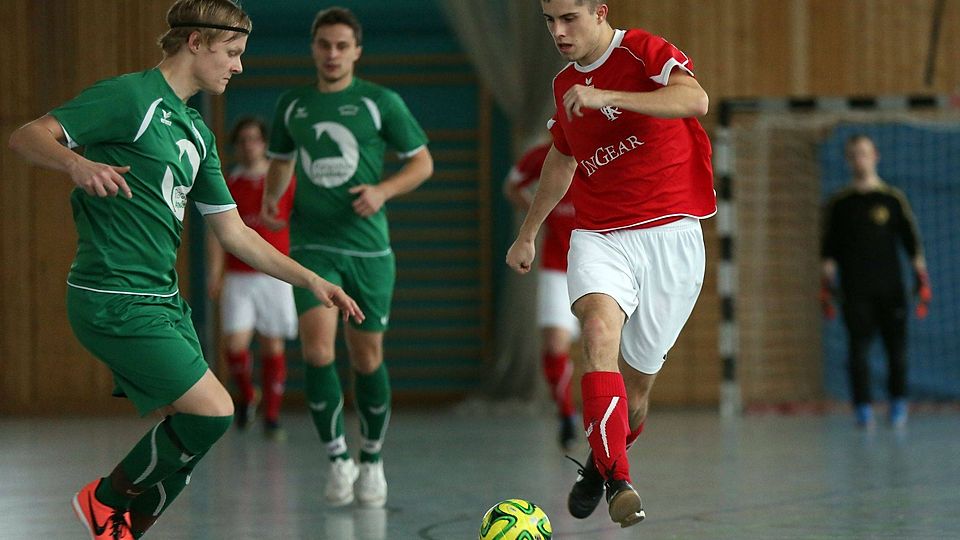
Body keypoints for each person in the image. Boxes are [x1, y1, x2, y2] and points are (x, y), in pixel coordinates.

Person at [6, 1, 363, 538]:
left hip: (163, 301)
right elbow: (27, 136)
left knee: (193, 432)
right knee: (214, 413)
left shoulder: (198, 133)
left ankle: (124, 529)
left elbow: (237, 234)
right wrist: (76, 163)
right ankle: (103, 500)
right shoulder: (130, 98)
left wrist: (311, 279)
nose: (238, 66)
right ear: (195, 42)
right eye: (232, 52)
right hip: (112, 295)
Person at [507, 0, 716, 528]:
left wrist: (608, 96)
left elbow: (696, 99)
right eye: (549, 21)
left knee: (637, 392)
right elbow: (561, 157)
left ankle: (600, 466)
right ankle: (620, 481)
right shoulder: (562, 87)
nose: (558, 31)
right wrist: (528, 233)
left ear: (599, 12)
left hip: (672, 235)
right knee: (597, 334)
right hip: (601, 235)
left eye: (568, 18)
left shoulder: (642, 50)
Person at [260, 7, 433, 509]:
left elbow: (422, 162)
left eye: (342, 46)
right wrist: (273, 199)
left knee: (367, 358)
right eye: (324, 45)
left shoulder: (380, 102)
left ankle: (372, 460)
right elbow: (281, 159)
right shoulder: (293, 105)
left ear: (356, 50)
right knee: (317, 351)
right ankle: (338, 458)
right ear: (312, 48)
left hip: (369, 250)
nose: (332, 55)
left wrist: (383, 191)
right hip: (312, 246)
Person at [820, 134, 930, 429]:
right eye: (854, 154)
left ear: (875, 156)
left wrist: (921, 279)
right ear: (848, 160)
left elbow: (912, 245)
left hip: (891, 290)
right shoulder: (840, 204)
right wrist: (827, 285)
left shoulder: (892, 200)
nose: (860, 159)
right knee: (858, 352)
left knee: (897, 351)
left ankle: (898, 404)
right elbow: (828, 251)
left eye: (865, 153)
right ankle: (863, 409)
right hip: (856, 291)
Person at [206, 117, 297, 440]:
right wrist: (215, 272)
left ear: (264, 142)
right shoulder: (230, 183)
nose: (248, 146)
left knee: (273, 344)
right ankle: (248, 395)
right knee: (235, 345)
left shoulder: (283, 178)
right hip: (239, 276)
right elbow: (218, 233)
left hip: (274, 274)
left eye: (254, 139)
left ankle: (272, 417)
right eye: (242, 140)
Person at [503, 139, 580, 450]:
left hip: (601, 264)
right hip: (556, 266)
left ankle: (605, 428)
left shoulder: (607, 146)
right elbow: (511, 186)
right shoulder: (542, 155)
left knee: (600, 345)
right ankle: (566, 415)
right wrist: (539, 212)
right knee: (554, 343)